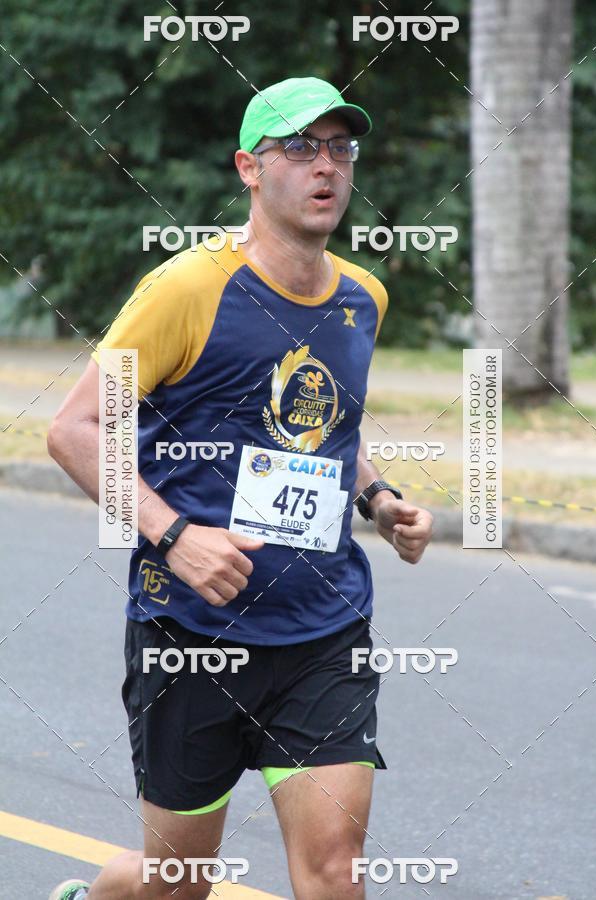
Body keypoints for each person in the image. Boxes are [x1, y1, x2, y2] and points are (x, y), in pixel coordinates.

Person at [48, 75, 433, 900]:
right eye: (298, 147)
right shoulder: (187, 291)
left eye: (340, 147)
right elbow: (75, 429)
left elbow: (330, 427)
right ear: (248, 170)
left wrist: (377, 499)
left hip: (323, 630)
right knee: (177, 880)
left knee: (334, 869)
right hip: (192, 631)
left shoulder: (364, 299)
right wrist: (175, 537)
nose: (324, 165)